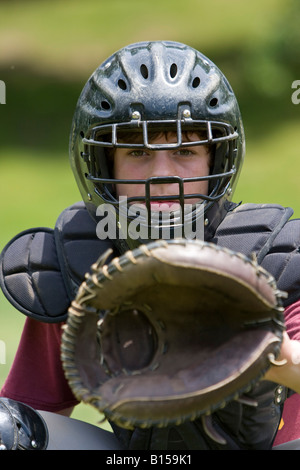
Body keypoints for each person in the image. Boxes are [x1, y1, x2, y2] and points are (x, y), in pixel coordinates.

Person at [1, 40, 300, 450]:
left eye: (185, 151)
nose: (161, 174)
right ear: (103, 164)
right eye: (137, 151)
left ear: (218, 161)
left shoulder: (276, 259)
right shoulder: (81, 262)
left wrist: (263, 348)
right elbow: (25, 409)